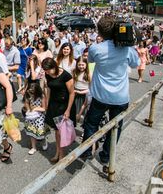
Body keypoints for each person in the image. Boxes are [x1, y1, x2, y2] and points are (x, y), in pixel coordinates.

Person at [80, 16, 140, 165]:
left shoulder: (95, 48)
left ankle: (87, 151)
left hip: (100, 96)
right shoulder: (127, 49)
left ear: (99, 32)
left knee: (91, 124)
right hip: (120, 97)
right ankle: (106, 156)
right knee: (116, 127)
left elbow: (91, 61)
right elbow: (135, 64)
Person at [41, 58, 76, 163]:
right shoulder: (48, 74)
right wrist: (46, 103)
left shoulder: (66, 76)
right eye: (45, 70)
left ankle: (61, 154)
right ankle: (58, 152)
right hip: (53, 104)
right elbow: (49, 88)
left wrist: (68, 110)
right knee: (56, 131)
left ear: (54, 67)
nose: (46, 72)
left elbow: (72, 93)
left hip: (64, 105)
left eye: (48, 70)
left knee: (61, 131)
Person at [23, 83, 49, 155]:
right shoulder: (28, 95)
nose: (31, 93)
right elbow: (26, 104)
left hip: (39, 117)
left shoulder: (42, 96)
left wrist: (36, 108)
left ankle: (44, 141)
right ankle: (33, 147)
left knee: (40, 132)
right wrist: (28, 110)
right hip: (31, 117)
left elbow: (44, 108)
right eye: (30, 91)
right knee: (32, 132)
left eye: (33, 92)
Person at [72, 57, 91, 122]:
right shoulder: (74, 72)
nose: (81, 66)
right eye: (79, 64)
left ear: (86, 65)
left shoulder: (88, 74)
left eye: (83, 65)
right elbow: (73, 83)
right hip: (76, 93)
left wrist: (81, 92)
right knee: (75, 112)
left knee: (84, 113)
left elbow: (91, 88)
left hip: (85, 94)